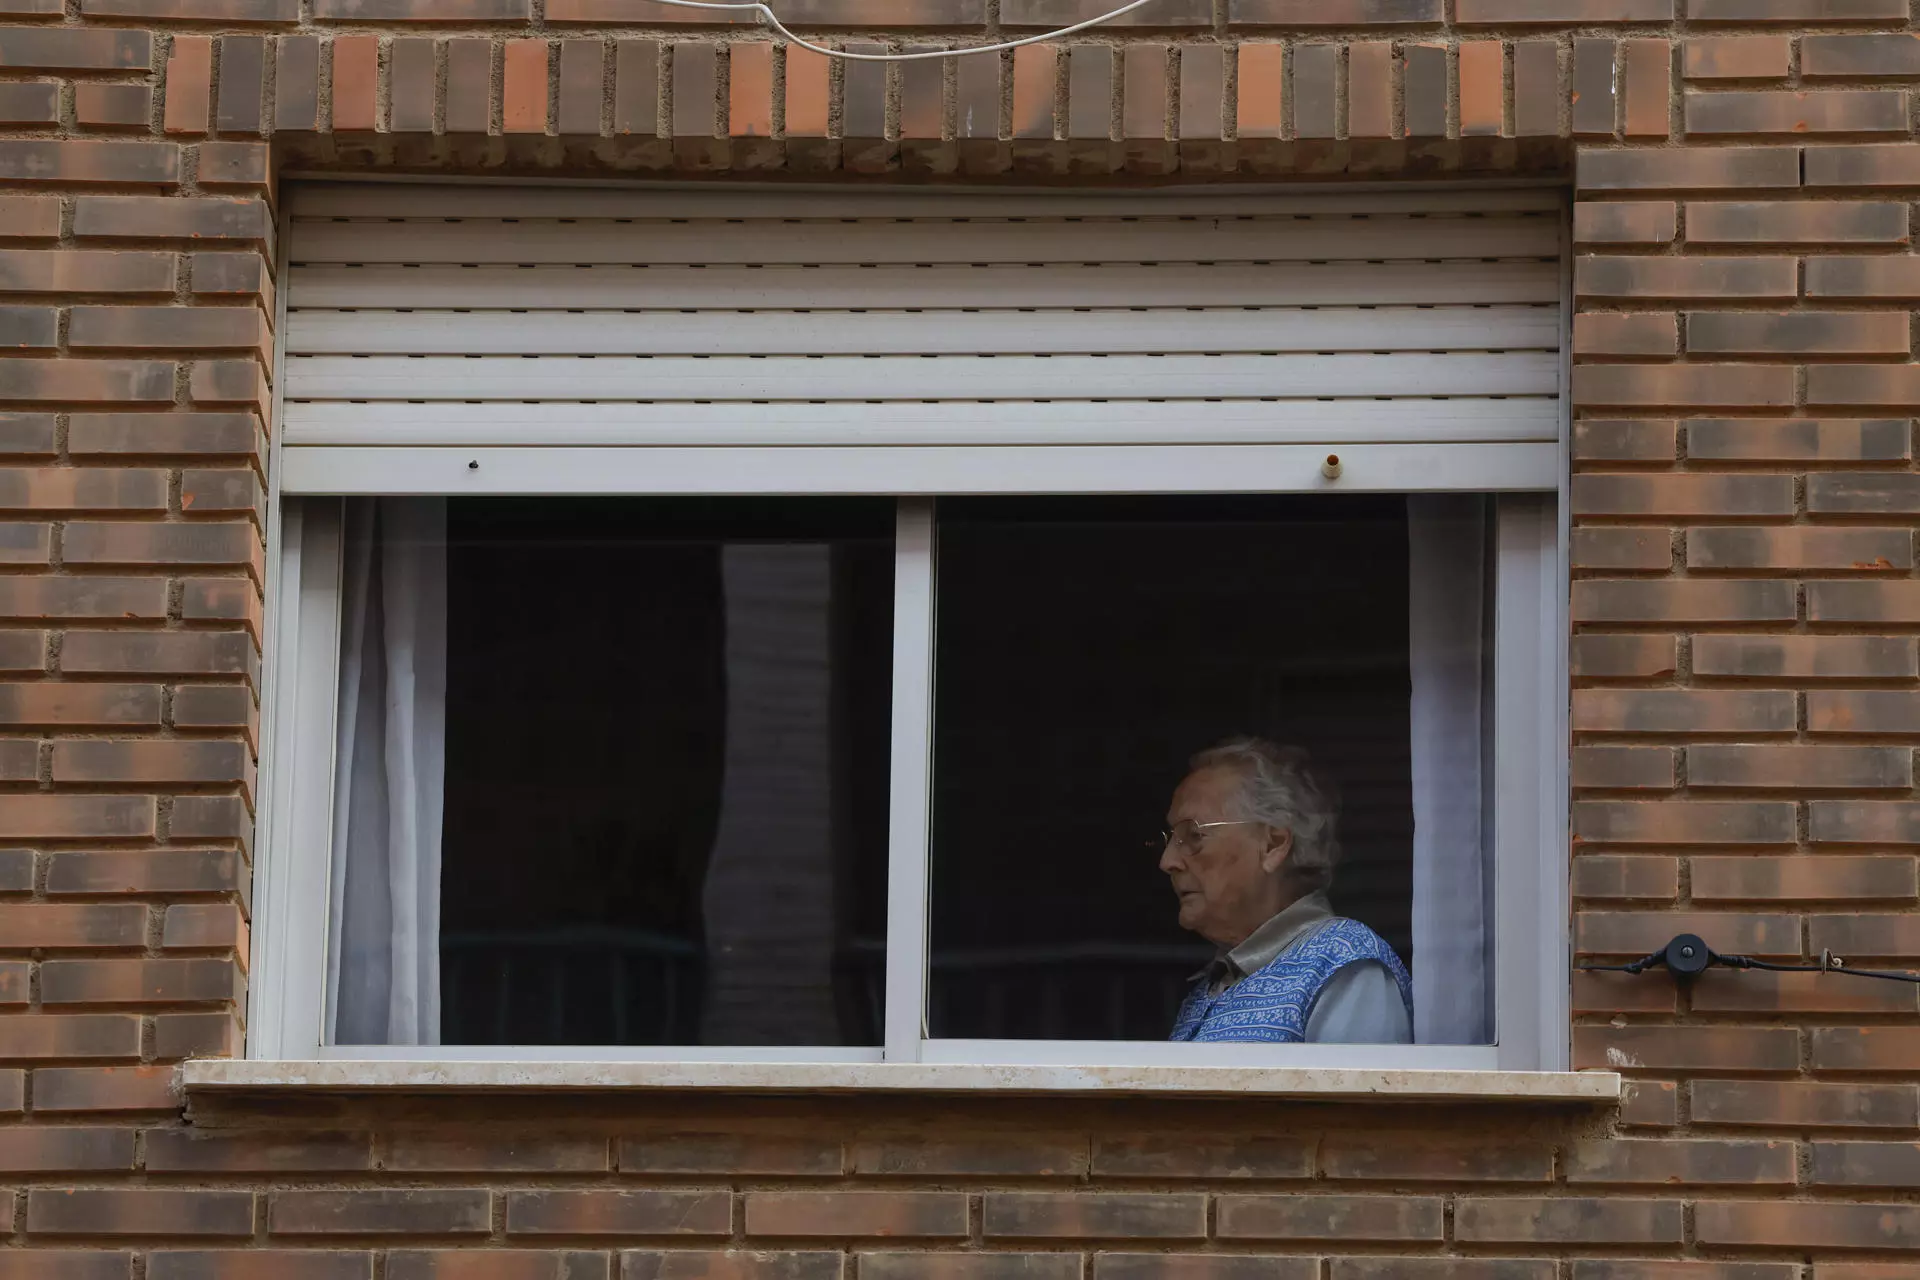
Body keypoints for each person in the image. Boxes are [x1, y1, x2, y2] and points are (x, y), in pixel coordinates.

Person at [1160, 737, 1412, 1044]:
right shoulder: (1211, 987)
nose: (1168, 861)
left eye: (1193, 835)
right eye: (1171, 839)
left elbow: (1363, 1091)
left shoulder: (1343, 964)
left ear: (1273, 845)